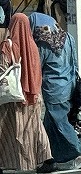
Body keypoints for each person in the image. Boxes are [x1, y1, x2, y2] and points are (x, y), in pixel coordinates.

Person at [29, 13, 81, 170]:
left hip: (54, 89)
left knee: (60, 123)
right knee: (50, 126)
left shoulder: (42, 41)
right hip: (69, 85)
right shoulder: (67, 36)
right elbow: (75, 63)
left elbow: (37, 66)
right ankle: (48, 160)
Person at [0, 14, 57, 174]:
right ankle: (48, 159)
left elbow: (2, 68)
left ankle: (7, 162)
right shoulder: (33, 46)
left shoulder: (9, 45)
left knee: (7, 129)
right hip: (33, 94)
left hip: (14, 97)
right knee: (35, 127)